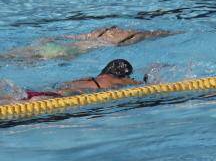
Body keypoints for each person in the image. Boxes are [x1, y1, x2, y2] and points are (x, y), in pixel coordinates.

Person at [0, 59, 141, 104]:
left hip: (52, 91)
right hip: (57, 97)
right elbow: (138, 85)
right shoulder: (116, 81)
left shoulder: (89, 78)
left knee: (16, 97)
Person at [1, 26, 174, 62]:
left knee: (15, 55)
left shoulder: (99, 31)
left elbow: (71, 36)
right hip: (65, 52)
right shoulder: (132, 36)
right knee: (27, 58)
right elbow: (153, 35)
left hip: (57, 45)